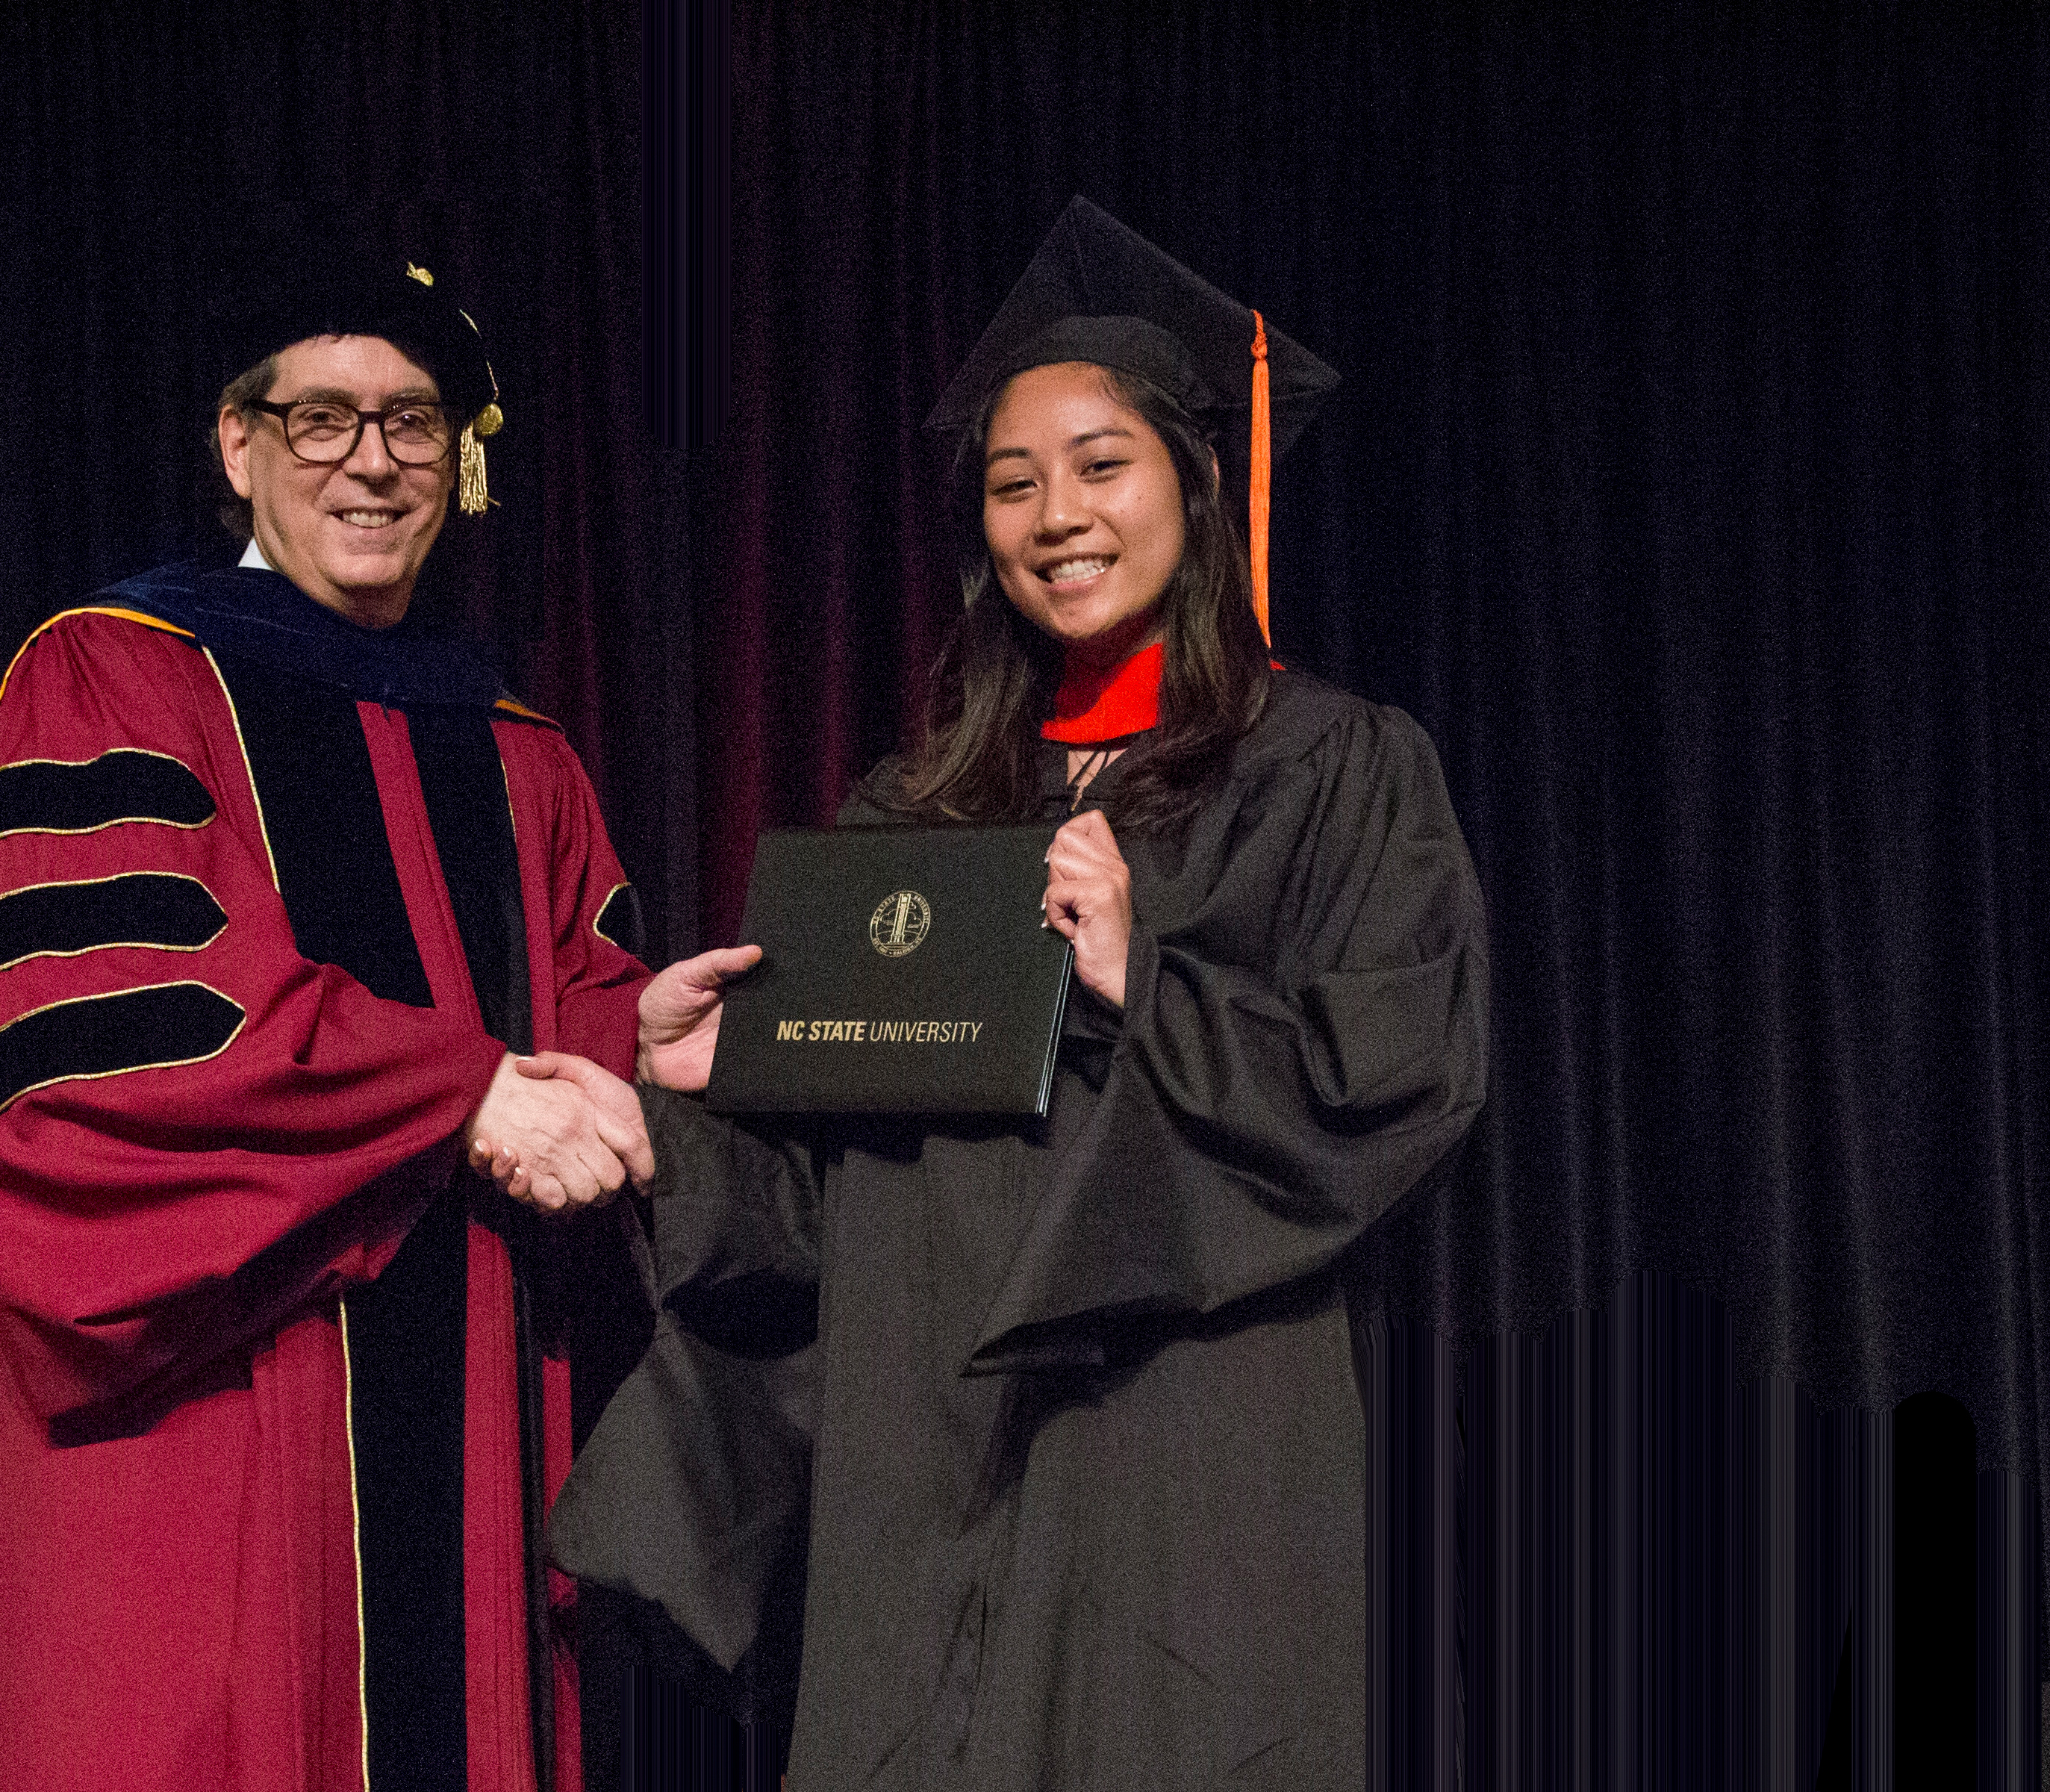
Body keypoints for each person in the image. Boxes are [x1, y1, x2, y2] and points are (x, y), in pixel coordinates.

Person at [552, 196, 1490, 1790]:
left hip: (1185, 1459)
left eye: (1100, 465)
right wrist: (692, 1103)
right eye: (1011, 481)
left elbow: (1401, 1081)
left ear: (1197, 485)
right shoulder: (912, 824)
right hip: (926, 1470)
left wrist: (1147, 980)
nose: (1056, 511)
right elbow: (818, 1226)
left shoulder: (1332, 768)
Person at [0, 251, 750, 1792]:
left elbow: (540, 1012)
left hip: (476, 1431)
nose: (373, 460)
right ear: (237, 448)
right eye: (321, 420)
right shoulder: (108, 677)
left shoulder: (516, 743)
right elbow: (102, 1050)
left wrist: (631, 1040)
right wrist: (460, 1100)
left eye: (415, 422)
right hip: (230, 1422)